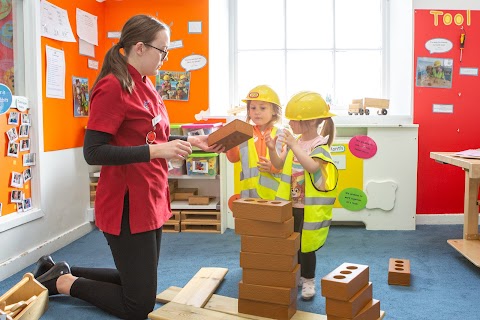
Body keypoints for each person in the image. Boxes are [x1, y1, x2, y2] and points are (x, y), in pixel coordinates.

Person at [32, 14, 223, 320]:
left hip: (150, 194)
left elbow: (149, 135)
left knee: (139, 282)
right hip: (126, 202)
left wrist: (189, 140)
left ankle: (64, 269)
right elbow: (93, 152)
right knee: (138, 305)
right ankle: (61, 281)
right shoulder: (112, 87)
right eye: (162, 51)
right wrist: (157, 150)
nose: (165, 57)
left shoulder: (147, 85)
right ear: (139, 48)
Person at [266, 91, 339, 300]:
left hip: (309, 209)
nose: (290, 123)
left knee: (306, 248)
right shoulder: (295, 141)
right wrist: (272, 149)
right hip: (292, 205)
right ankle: (298, 275)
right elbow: (278, 165)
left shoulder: (320, 145)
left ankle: (309, 281)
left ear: (312, 120)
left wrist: (294, 146)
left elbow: (313, 166)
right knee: (293, 244)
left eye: (295, 120)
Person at [225, 85, 284, 200]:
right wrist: (230, 144)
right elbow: (234, 158)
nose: (257, 112)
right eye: (253, 108)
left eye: (262, 108)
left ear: (274, 111)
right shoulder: (243, 133)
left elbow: (287, 164)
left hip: (273, 197)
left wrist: (273, 167)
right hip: (249, 195)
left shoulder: (281, 135)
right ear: (248, 111)